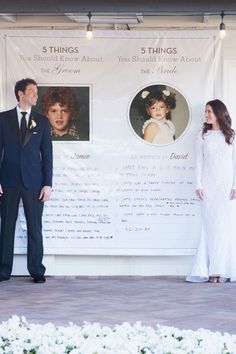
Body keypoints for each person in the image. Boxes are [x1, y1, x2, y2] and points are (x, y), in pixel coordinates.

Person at [0, 78, 53, 283]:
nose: (36, 95)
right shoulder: (3, 119)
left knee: (34, 227)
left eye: (36, 92)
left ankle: (37, 270)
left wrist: (47, 184)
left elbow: (47, 154)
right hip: (8, 182)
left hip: (34, 183)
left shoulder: (42, 120)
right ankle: (4, 270)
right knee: (6, 227)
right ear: (20, 94)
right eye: (32, 92)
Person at [186, 99, 236, 283]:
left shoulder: (231, 135)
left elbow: (235, 162)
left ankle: (221, 270)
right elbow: (198, 162)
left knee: (224, 227)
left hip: (226, 188)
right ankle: (210, 270)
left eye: (209, 111)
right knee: (210, 227)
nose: (206, 114)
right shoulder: (202, 135)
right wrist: (198, 184)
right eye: (205, 111)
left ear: (219, 113)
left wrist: (235, 185)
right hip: (208, 186)